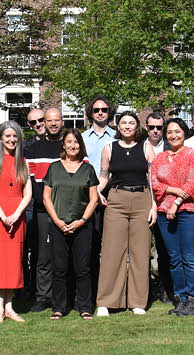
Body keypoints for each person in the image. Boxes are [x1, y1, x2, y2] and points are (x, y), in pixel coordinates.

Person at [94, 111, 156, 317]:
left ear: (136, 126)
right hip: (117, 201)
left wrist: (154, 206)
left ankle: (138, 301)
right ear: (118, 127)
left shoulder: (147, 148)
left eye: (131, 123)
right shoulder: (109, 148)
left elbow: (152, 181)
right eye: (123, 123)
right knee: (112, 251)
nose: (127, 126)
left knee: (140, 252)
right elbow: (104, 176)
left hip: (142, 200)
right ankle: (107, 301)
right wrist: (96, 190)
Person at [42, 128, 99, 320]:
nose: (72, 145)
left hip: (82, 225)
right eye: (69, 142)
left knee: (83, 268)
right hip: (58, 225)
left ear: (80, 146)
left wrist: (82, 220)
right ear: (63, 145)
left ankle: (84, 307)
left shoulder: (88, 169)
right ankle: (59, 307)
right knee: (59, 268)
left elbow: (93, 199)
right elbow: (46, 197)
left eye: (76, 142)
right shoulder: (54, 168)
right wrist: (57, 221)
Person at [151, 118, 194, 316]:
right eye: (170, 132)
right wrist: (173, 190)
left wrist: (175, 202)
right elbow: (155, 184)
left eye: (177, 131)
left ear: (184, 132)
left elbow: (193, 184)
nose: (173, 135)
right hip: (165, 215)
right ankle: (181, 299)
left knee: (190, 257)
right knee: (174, 259)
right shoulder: (159, 158)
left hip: (190, 212)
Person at [0, 121, 32, 324]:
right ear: (0, 138)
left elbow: (27, 192)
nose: (11, 140)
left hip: (17, 217)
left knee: (13, 262)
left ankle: (10, 308)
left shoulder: (24, 163)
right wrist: (3, 215)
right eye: (7, 136)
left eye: (15, 136)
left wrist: (17, 213)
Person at [24, 107, 65, 312]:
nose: (52, 124)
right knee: (43, 256)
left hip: (66, 210)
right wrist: (45, 203)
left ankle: (64, 295)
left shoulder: (69, 146)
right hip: (42, 209)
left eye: (56, 120)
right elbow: (31, 182)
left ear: (62, 121)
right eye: (49, 121)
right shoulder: (33, 150)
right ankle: (42, 296)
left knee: (64, 255)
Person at [82, 96, 117, 301]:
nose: (100, 113)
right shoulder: (83, 138)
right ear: (91, 113)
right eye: (96, 110)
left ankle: (111, 289)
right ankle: (93, 289)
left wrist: (102, 192)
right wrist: (95, 194)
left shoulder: (118, 136)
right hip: (88, 198)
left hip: (113, 196)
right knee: (91, 245)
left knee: (112, 246)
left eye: (104, 109)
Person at [145, 111, 172, 303]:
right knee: (142, 249)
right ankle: (143, 289)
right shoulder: (138, 147)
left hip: (165, 203)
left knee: (165, 249)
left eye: (159, 127)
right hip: (142, 201)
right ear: (146, 128)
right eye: (151, 127)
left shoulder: (171, 148)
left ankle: (167, 289)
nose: (155, 131)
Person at [21, 107, 45, 298]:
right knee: (27, 248)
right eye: (33, 122)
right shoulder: (25, 148)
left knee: (45, 251)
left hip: (50, 205)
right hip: (29, 205)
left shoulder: (59, 144)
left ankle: (42, 288)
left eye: (41, 120)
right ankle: (28, 287)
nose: (38, 124)